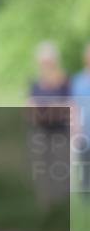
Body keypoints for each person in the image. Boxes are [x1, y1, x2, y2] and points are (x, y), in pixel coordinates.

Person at [27, 41, 71, 210]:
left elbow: (69, 105)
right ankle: (45, 204)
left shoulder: (64, 81)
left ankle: (62, 204)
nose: (45, 64)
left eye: (48, 60)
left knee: (61, 166)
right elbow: (30, 107)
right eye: (43, 61)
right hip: (41, 130)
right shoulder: (35, 83)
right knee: (41, 167)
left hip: (60, 130)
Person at [70, 42, 90, 197]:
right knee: (85, 165)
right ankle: (85, 200)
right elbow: (72, 106)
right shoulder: (77, 80)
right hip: (84, 130)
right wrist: (74, 128)